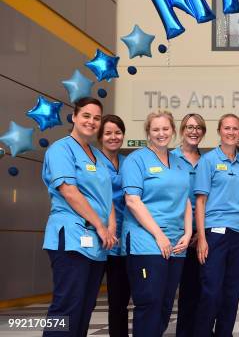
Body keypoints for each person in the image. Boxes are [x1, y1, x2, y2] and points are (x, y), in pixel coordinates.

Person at [42, 97, 114, 337]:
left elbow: (107, 196)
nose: (91, 121)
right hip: (71, 236)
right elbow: (69, 192)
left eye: (96, 118)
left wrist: (110, 227)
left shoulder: (98, 156)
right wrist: (100, 226)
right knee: (67, 308)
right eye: (86, 115)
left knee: (85, 307)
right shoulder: (61, 149)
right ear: (74, 116)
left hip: (97, 241)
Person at [121, 111, 192, 337]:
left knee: (165, 305)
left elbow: (187, 201)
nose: (161, 134)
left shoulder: (181, 163)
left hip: (176, 244)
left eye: (165, 129)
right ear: (148, 133)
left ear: (173, 130)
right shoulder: (136, 159)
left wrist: (188, 233)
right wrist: (159, 235)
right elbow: (132, 200)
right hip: (146, 241)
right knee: (149, 302)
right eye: (155, 130)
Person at [193, 113, 239, 337]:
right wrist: (201, 238)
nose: (231, 132)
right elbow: (200, 202)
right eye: (227, 128)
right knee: (211, 291)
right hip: (214, 234)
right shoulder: (208, 161)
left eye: (236, 129)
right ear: (219, 131)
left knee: (231, 294)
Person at [174, 114, 206, 337]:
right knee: (168, 293)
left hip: (201, 235)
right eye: (189, 127)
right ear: (182, 129)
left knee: (197, 291)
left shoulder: (207, 161)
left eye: (198, 128)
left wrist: (199, 233)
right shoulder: (169, 158)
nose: (194, 131)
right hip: (174, 233)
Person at [98, 114, 129, 337]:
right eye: (108, 133)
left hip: (122, 241)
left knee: (119, 300)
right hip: (98, 237)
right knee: (82, 298)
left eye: (117, 132)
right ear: (100, 136)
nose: (113, 137)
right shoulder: (93, 161)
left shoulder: (129, 163)